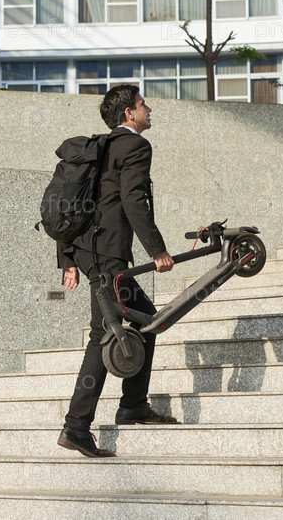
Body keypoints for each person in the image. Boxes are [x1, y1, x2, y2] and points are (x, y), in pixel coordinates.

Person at [56, 84, 178, 458]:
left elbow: (70, 200)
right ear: (129, 113)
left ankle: (133, 404)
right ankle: (76, 426)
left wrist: (68, 258)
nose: (148, 109)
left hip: (87, 250)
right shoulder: (135, 146)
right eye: (143, 104)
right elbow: (133, 199)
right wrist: (157, 249)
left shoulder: (97, 147)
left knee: (148, 320)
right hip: (107, 254)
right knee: (103, 334)